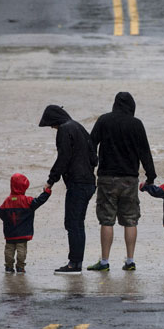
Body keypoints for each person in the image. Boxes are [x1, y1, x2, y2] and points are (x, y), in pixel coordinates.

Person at [87, 92, 156, 272]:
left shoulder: (104, 120)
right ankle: (130, 261)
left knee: (107, 220)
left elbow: (90, 144)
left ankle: (104, 262)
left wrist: (92, 163)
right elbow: (145, 152)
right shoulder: (136, 124)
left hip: (107, 178)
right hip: (130, 179)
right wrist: (151, 176)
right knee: (131, 220)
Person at [38, 105, 98, 275]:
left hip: (78, 184)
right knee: (77, 223)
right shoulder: (79, 127)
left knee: (72, 223)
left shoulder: (64, 130)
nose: (51, 127)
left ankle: (74, 264)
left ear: (55, 119)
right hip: (89, 183)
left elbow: (63, 157)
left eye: (51, 124)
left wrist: (51, 180)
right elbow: (94, 156)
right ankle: (76, 261)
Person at [0, 173, 52, 274]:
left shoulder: (7, 201)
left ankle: (8, 267)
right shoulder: (27, 201)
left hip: (10, 233)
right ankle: (20, 267)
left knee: (9, 250)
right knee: (21, 250)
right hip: (23, 233)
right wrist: (47, 192)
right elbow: (39, 201)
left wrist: (7, 220)